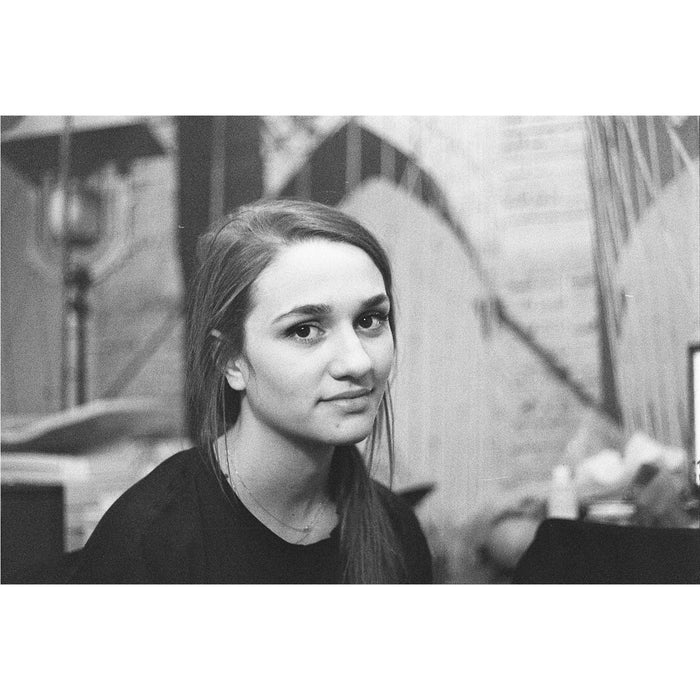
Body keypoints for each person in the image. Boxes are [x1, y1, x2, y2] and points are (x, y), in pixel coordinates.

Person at [67, 199, 433, 584]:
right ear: (231, 359)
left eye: (370, 320)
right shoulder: (151, 539)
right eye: (305, 329)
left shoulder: (395, 532)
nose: (357, 363)